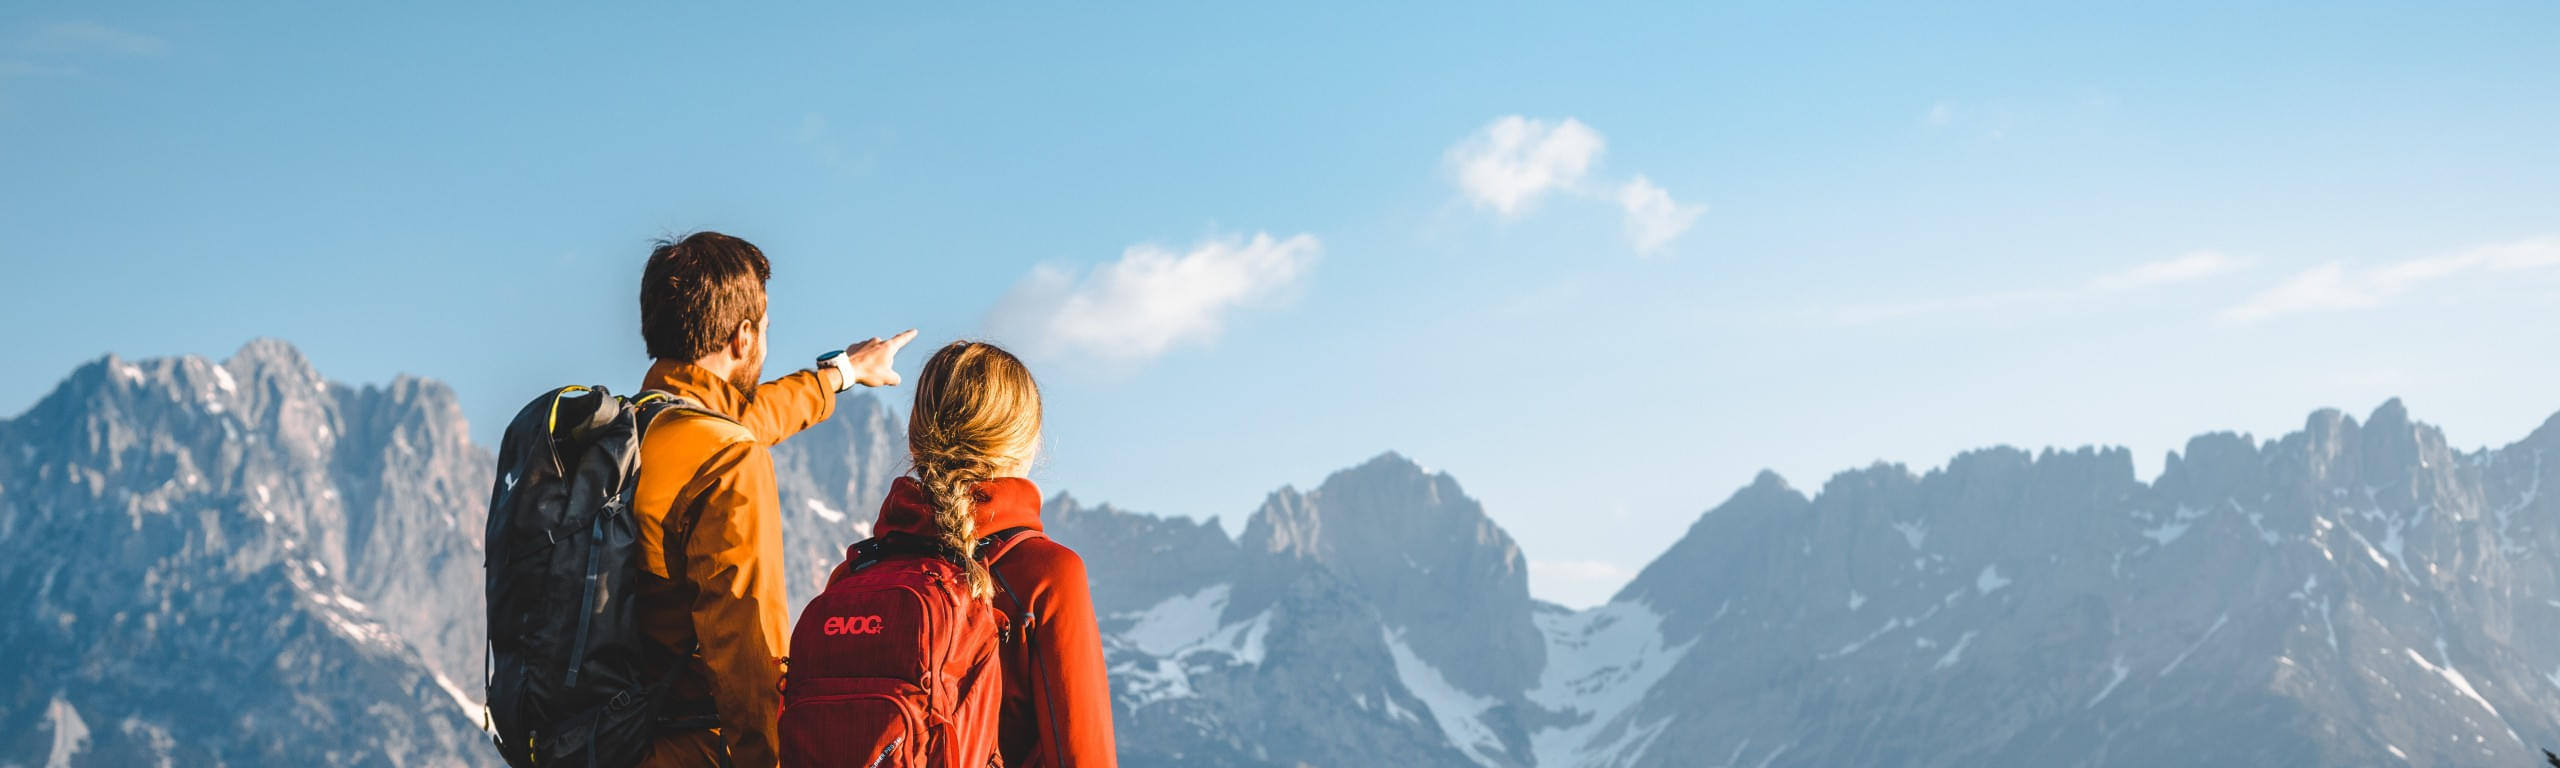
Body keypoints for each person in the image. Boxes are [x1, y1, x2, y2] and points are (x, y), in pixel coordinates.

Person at [626, 231, 915, 767]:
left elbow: (746, 417)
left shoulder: (622, 434)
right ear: (743, 338)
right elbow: (746, 650)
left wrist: (843, 372)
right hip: (686, 747)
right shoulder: (727, 459)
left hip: (591, 740)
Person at [846, 340, 1118, 767]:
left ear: (916, 436)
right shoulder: (1046, 574)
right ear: (1027, 443)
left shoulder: (855, 575)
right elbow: (1084, 757)